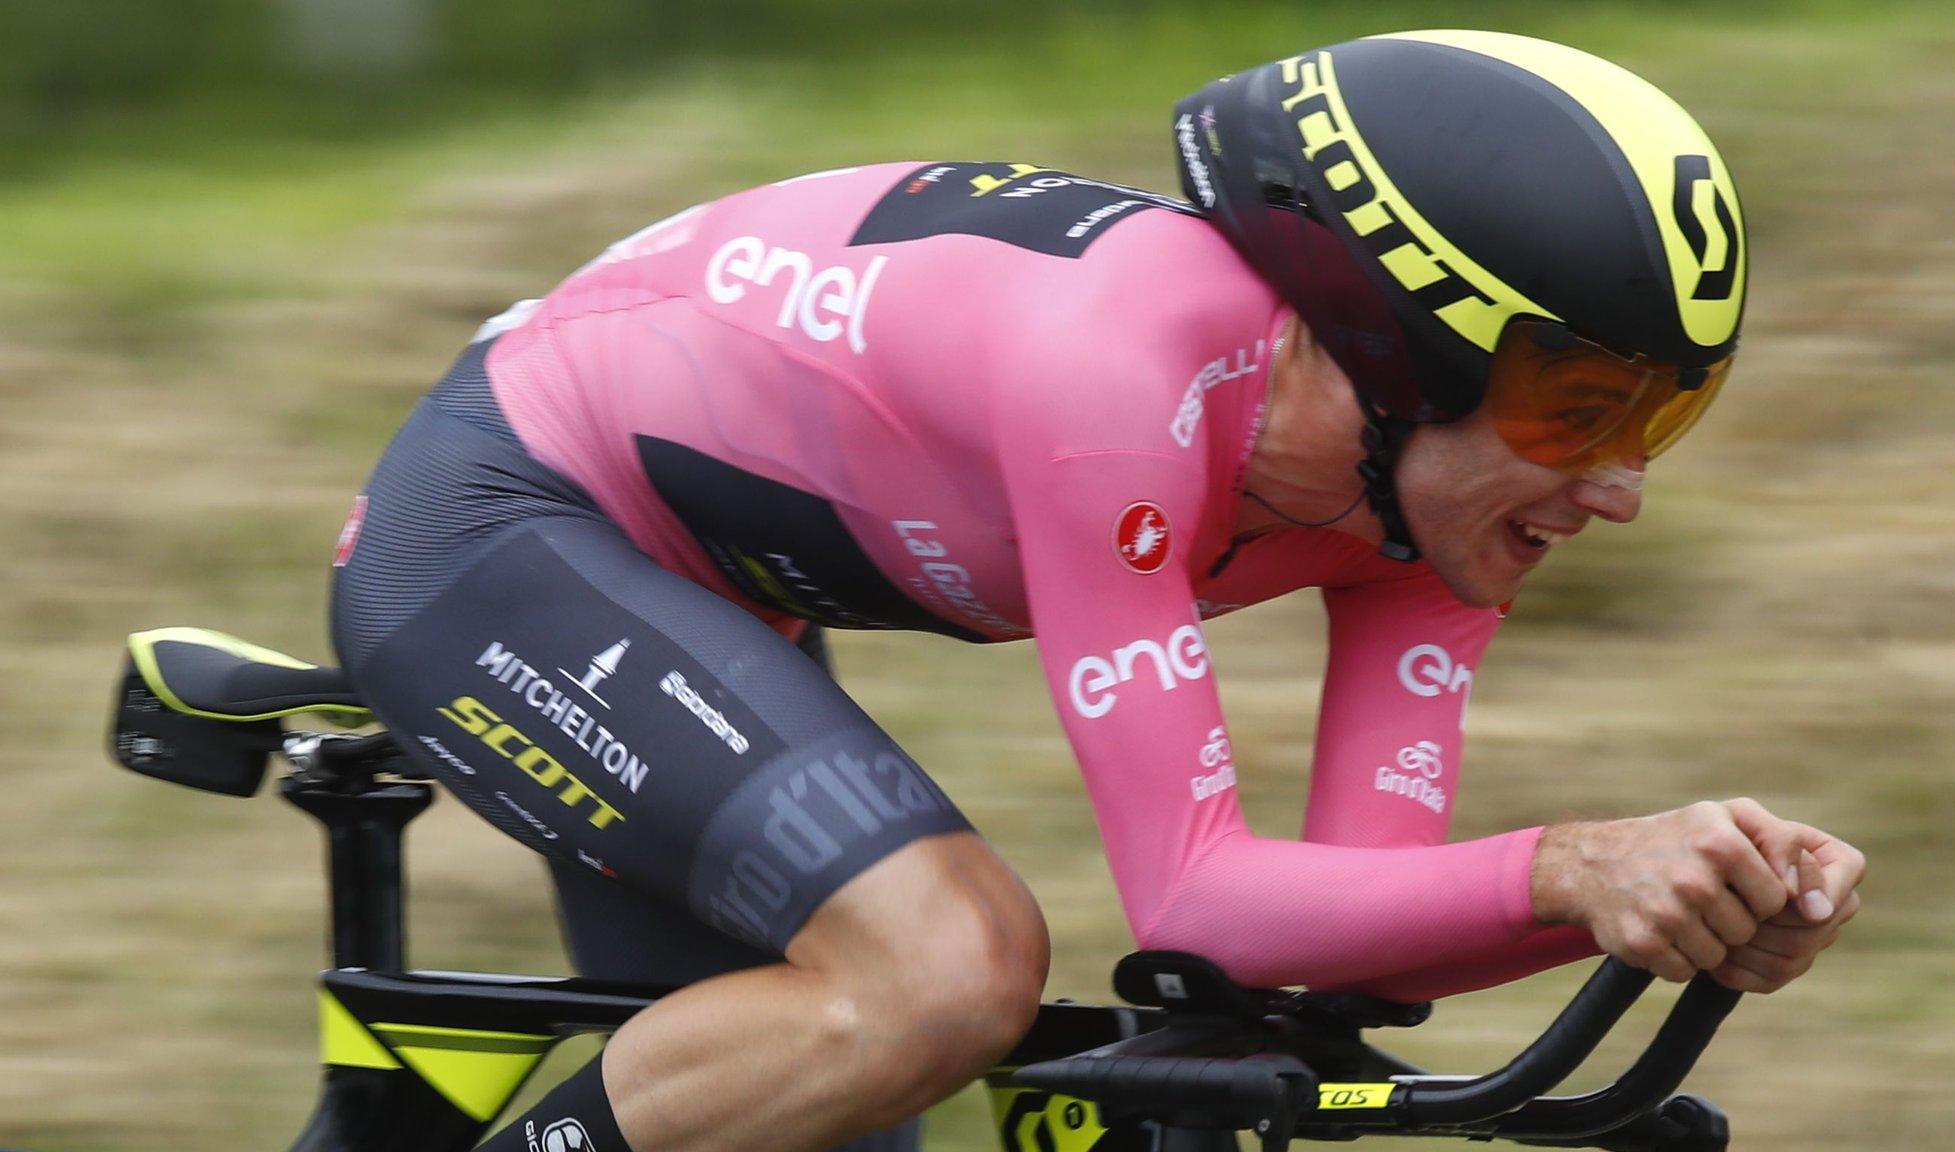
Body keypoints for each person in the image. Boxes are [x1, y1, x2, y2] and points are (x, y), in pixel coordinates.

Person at [326, 29, 1864, 1152]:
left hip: (707, 586)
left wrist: (1662, 908)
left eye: (1655, 422)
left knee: (836, 1097)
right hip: (497, 522)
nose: (1619, 488)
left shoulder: (1438, 509)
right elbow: (1191, 897)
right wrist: (1577, 865)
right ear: (1397, 352)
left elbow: (1334, 936)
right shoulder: (1121, 377)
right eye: (1578, 414)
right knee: (944, 971)